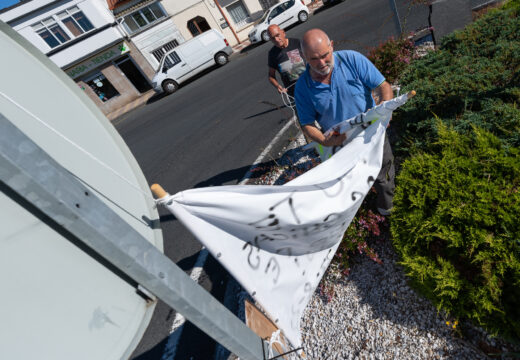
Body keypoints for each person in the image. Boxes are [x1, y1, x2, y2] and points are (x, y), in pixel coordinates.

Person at [294, 28, 395, 215]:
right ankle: (358, 215)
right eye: (314, 59)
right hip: (340, 144)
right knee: (348, 184)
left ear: (332, 45)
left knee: (384, 176)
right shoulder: (302, 87)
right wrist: (325, 141)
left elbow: (383, 86)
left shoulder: (352, 60)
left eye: (325, 55)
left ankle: (386, 211)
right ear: (303, 56)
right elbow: (307, 124)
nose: (322, 63)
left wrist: (385, 110)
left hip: (372, 133)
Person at [267, 25, 306, 97]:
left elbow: (312, 59)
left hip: (310, 86)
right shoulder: (272, 54)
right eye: (273, 38)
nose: (276, 39)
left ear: (283, 33)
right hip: (294, 94)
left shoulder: (296, 43)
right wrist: (278, 86)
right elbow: (271, 76)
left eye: (277, 35)